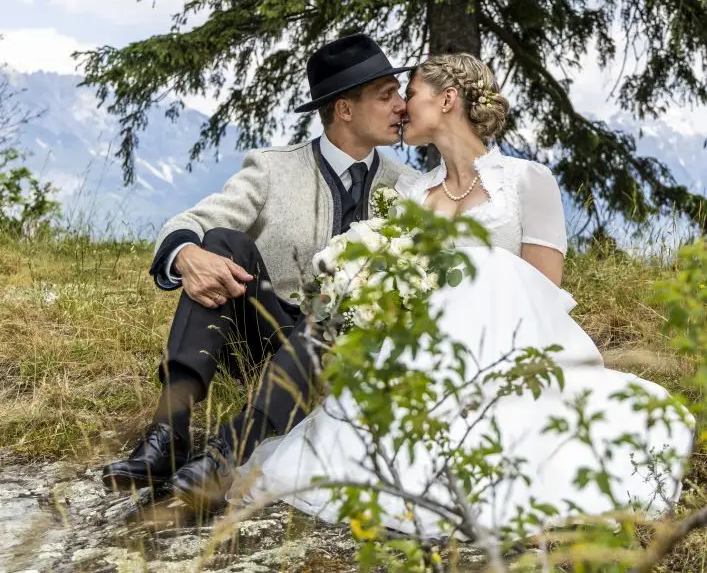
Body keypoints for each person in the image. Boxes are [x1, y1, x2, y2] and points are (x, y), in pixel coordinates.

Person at [234, 53, 695, 536]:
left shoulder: (524, 181)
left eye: (410, 93)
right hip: (427, 360)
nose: (402, 107)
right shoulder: (413, 193)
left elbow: (544, 290)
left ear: (447, 99)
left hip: (513, 353)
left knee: (486, 266)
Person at [102, 33, 418, 508]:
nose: (402, 105)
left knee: (333, 314)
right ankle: (168, 433)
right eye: (386, 94)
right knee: (221, 241)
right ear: (344, 110)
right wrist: (187, 255)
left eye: (398, 92)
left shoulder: (407, 186)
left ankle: (224, 453)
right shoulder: (272, 169)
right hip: (263, 335)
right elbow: (189, 222)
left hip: (346, 348)